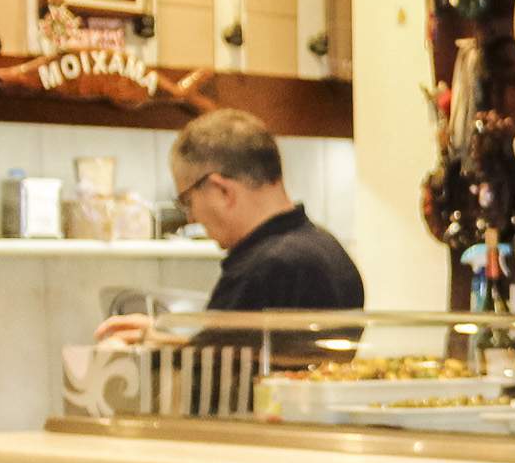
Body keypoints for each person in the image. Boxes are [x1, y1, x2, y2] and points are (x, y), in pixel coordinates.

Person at [94, 108, 362, 343]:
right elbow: (245, 359)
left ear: (221, 190)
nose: (191, 218)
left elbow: (215, 382)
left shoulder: (267, 268)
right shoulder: (329, 250)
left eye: (187, 201)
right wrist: (165, 340)